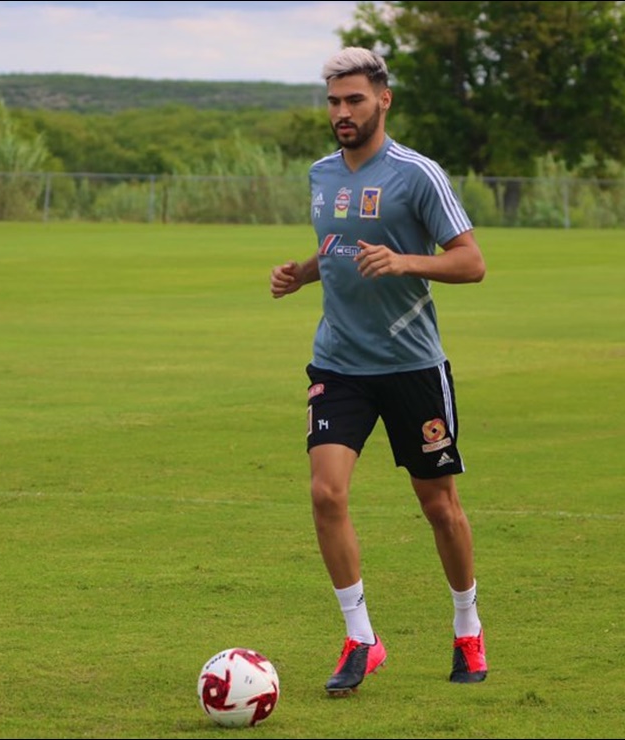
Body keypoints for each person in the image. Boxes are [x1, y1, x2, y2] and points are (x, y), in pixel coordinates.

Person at [269, 46, 489, 695]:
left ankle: (466, 626)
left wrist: (405, 262)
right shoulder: (318, 174)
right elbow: (336, 240)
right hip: (339, 362)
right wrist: (302, 272)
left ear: (382, 100)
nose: (341, 112)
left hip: (410, 366)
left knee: (439, 506)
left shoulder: (416, 175)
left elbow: (471, 261)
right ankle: (361, 638)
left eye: (353, 99)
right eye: (333, 101)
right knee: (324, 492)